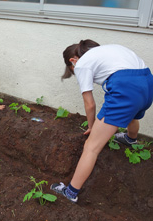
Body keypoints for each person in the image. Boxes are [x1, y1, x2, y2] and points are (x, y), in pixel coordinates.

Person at [51, 40, 153, 202]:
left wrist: (92, 127)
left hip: (125, 88)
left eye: (73, 71)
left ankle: (70, 192)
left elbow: (90, 104)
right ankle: (130, 139)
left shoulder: (82, 64)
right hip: (147, 82)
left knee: (91, 147)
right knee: (132, 115)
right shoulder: (108, 50)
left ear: (73, 61)